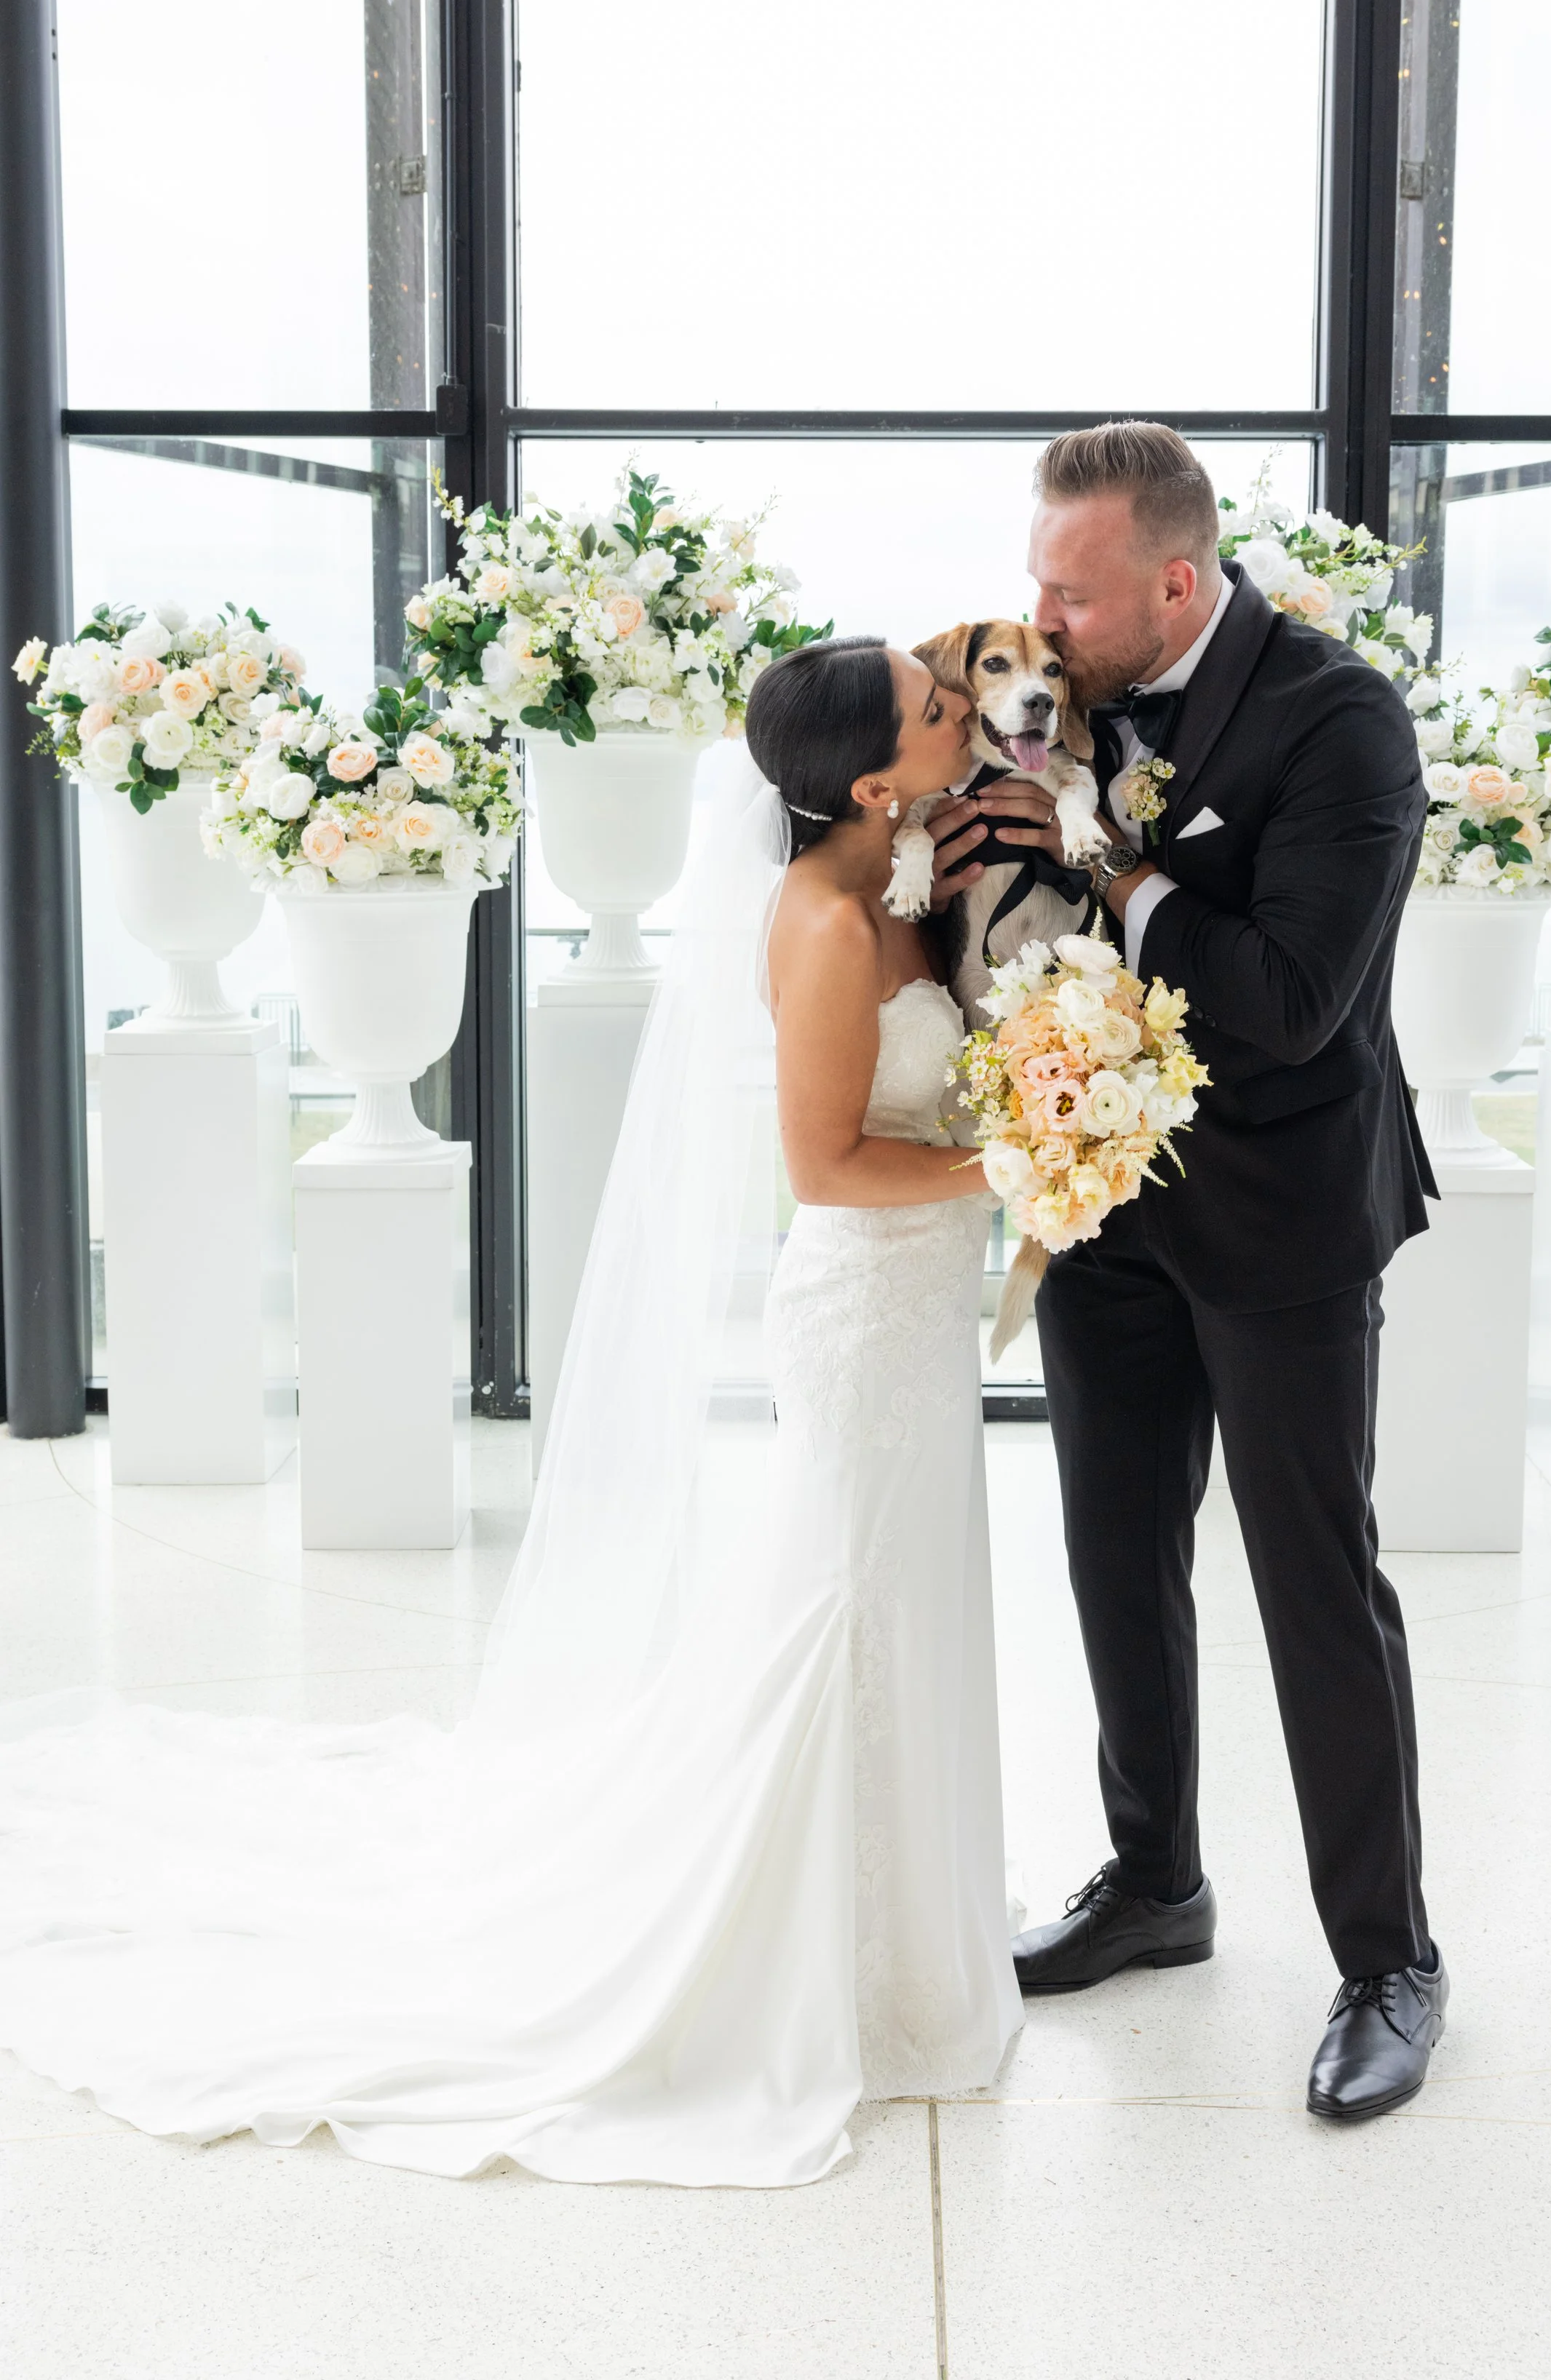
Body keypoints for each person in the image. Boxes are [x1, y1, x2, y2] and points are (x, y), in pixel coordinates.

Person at [0, 637, 1020, 2186]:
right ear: (872, 779)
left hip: (927, 1307)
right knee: (843, 1618)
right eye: (938, 708)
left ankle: (913, 1944)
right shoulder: (820, 920)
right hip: (866, 1314)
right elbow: (821, 1165)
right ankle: (814, 1960)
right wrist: (1016, 1165)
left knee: (906, 1610)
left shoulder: (905, 879)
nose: (967, 711)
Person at [934, 420, 1447, 2121]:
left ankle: (1387, 1958)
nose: (1041, 620)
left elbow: (1291, 993)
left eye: (1067, 593)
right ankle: (1155, 1879)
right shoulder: (1071, 694)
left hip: (1284, 1212)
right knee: (1111, 1552)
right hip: (1107, 1203)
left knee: (1312, 1578)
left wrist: (1116, 865)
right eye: (1032, 587)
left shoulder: (1338, 720)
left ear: (1170, 579)